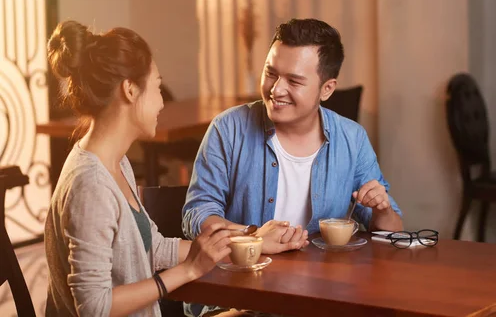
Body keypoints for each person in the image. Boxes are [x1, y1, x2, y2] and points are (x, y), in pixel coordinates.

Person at [182, 18, 403, 316]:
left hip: (322, 298)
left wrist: (382, 208)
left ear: (327, 89)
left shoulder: (351, 139)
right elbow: (197, 214)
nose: (277, 89)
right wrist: (254, 236)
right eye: (271, 73)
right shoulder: (228, 129)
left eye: (294, 81)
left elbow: (391, 230)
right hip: (237, 299)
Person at [44, 21, 232, 317]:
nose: (161, 103)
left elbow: (151, 247)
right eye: (157, 87)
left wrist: (247, 242)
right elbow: (94, 308)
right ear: (130, 90)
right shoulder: (90, 184)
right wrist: (188, 271)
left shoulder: (116, 162)